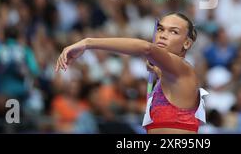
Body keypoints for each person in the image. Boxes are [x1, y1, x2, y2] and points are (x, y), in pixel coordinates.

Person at [56, 12, 208, 134]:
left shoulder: (183, 68)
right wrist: (157, 70)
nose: (162, 35)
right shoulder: (169, 76)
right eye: (161, 29)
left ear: (187, 43)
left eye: (173, 32)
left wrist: (87, 43)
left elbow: (146, 48)